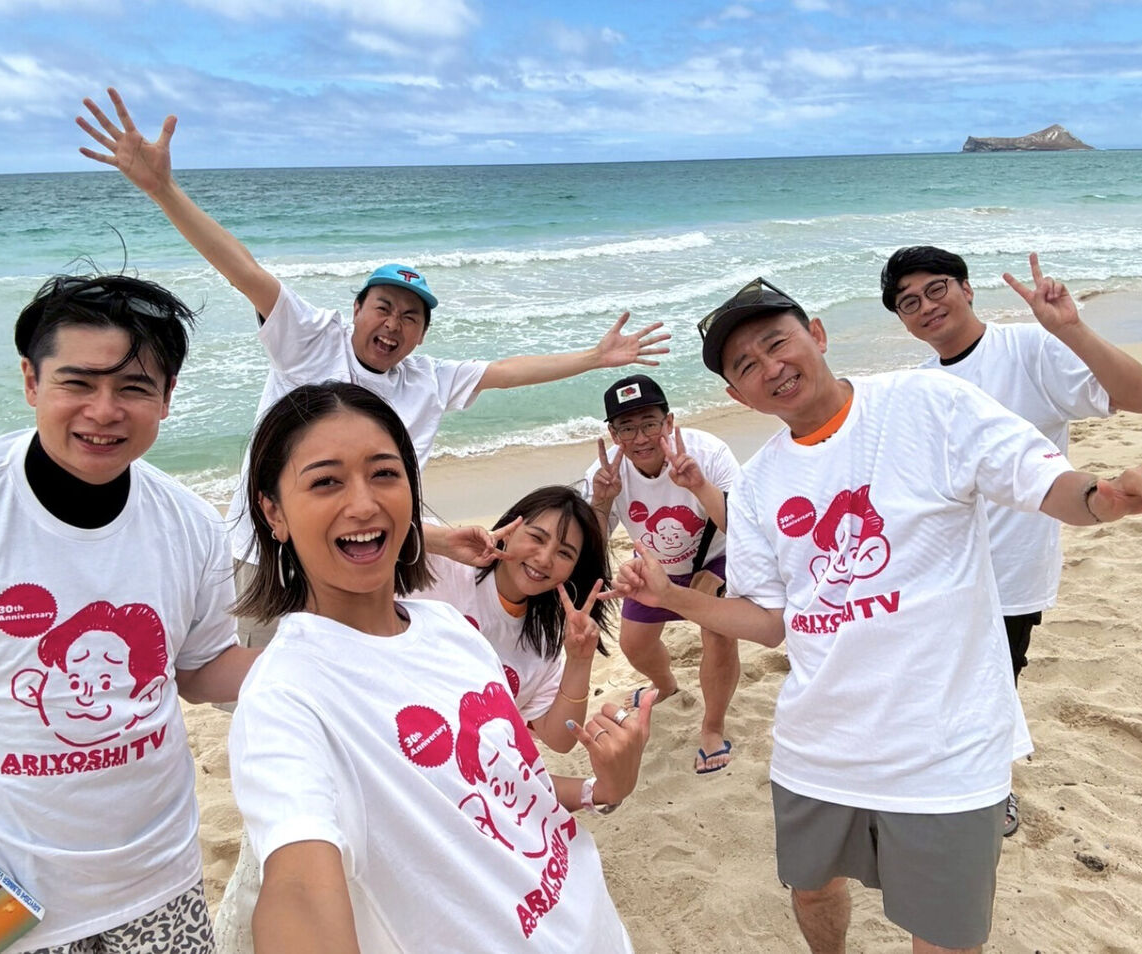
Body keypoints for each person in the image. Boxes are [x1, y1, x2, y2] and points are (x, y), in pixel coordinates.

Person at [609, 276, 1142, 954]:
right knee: (812, 890)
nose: (770, 368)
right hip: (818, 745)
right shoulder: (755, 486)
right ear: (736, 396)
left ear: (817, 334)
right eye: (745, 366)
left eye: (777, 343)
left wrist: (1109, 494)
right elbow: (770, 622)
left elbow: (1051, 486)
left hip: (945, 745)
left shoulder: (926, 403)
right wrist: (672, 597)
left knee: (944, 934)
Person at [75, 87, 670, 649]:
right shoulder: (309, 339)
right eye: (383, 307)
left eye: (411, 317)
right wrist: (164, 190)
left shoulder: (426, 379)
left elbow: (506, 371)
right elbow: (243, 269)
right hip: (271, 552)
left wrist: (595, 358)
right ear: (356, 309)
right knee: (261, 680)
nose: (393, 324)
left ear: (422, 335)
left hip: (366, 556)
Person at [226, 382, 654, 953]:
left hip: (595, 925)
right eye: (326, 481)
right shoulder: (285, 696)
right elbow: (299, 887)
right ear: (273, 512)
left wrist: (608, 786)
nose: (363, 504)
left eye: (384, 474)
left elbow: (506, 781)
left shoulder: (451, 630)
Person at [0, 273, 257, 953]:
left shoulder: (192, 524)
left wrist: (334, 658)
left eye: (134, 388)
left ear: (167, 397)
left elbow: (202, 669)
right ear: (32, 381)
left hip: (161, 878)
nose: (104, 410)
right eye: (78, 382)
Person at [881, 246, 1142, 835]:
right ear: (903, 322)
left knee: (996, 683)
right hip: (937, 573)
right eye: (908, 303)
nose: (926, 306)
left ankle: (992, 789)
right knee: (934, 682)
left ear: (966, 289)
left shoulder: (1029, 348)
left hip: (1011, 570)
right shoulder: (917, 388)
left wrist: (1071, 329)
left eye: (936, 289)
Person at [585, 374, 741, 773]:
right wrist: (602, 502)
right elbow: (591, 549)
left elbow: (742, 528)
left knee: (719, 633)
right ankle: (668, 687)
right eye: (627, 428)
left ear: (669, 422)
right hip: (656, 568)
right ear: (613, 433)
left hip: (717, 561)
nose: (640, 438)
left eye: (650, 424)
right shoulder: (605, 473)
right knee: (634, 645)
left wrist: (698, 485)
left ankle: (712, 728)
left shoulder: (708, 453)